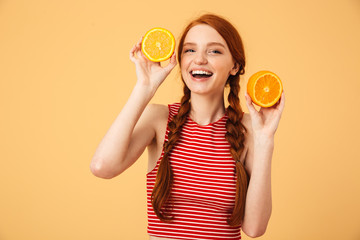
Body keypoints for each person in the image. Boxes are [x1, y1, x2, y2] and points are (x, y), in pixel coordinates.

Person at [90, 13, 285, 240]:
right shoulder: (159, 119)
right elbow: (102, 166)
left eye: (214, 51)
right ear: (180, 61)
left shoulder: (250, 129)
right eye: (190, 50)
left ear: (235, 66)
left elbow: (254, 228)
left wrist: (265, 141)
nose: (199, 59)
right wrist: (144, 87)